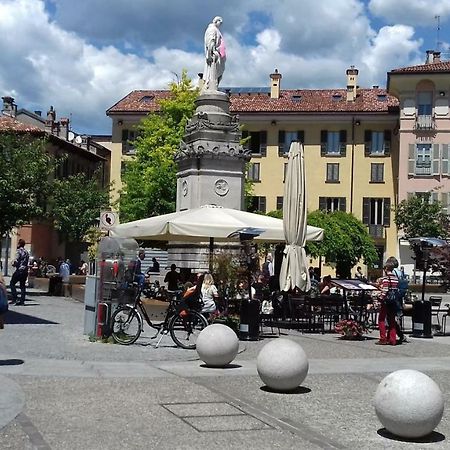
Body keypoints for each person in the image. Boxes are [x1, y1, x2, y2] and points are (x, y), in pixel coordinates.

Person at [376, 260, 399, 346]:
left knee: (381, 319)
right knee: (392, 320)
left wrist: (380, 297)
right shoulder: (396, 279)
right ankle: (393, 339)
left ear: (386, 268)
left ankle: (383, 338)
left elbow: (385, 291)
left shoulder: (386, 278)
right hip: (393, 301)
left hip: (386, 301)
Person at [202, 16, 226, 91]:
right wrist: (211, 52)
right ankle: (210, 87)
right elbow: (211, 41)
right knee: (212, 73)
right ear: (216, 21)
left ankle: (213, 87)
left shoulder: (216, 30)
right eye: (219, 22)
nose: (220, 24)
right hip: (214, 55)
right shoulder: (212, 29)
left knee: (218, 73)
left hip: (218, 55)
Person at [9, 239, 30, 305]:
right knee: (22, 286)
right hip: (25, 271)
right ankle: (22, 301)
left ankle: (14, 298)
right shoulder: (26, 252)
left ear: (19, 244)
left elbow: (16, 260)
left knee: (12, 283)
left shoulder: (18, 251)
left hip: (19, 270)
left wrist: (13, 264)